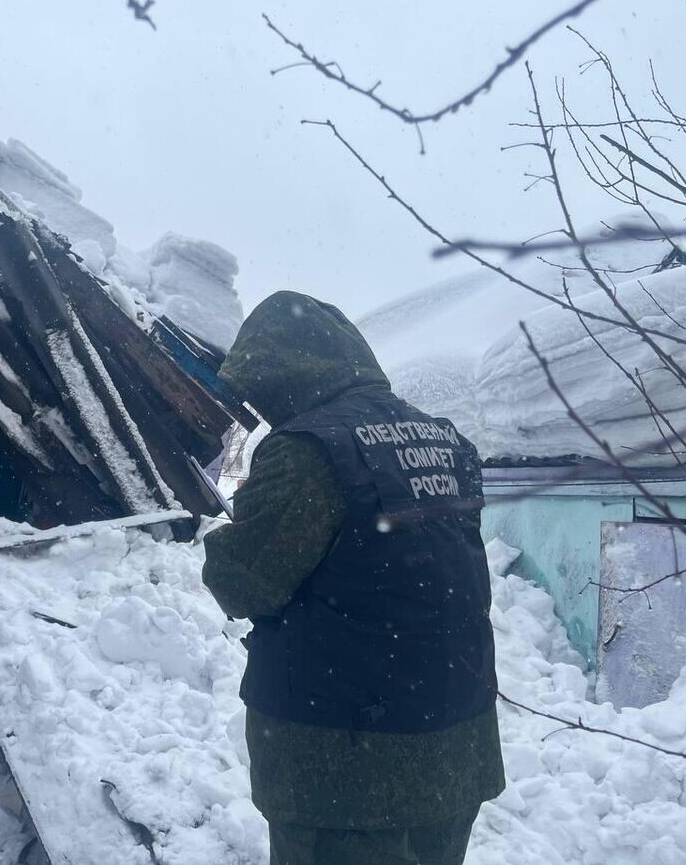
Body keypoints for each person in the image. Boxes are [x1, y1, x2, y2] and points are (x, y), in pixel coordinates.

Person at [203, 292, 504, 865]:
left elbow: (244, 582)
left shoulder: (308, 451)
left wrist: (221, 538)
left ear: (282, 376)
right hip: (455, 738)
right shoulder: (446, 440)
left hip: (345, 764)